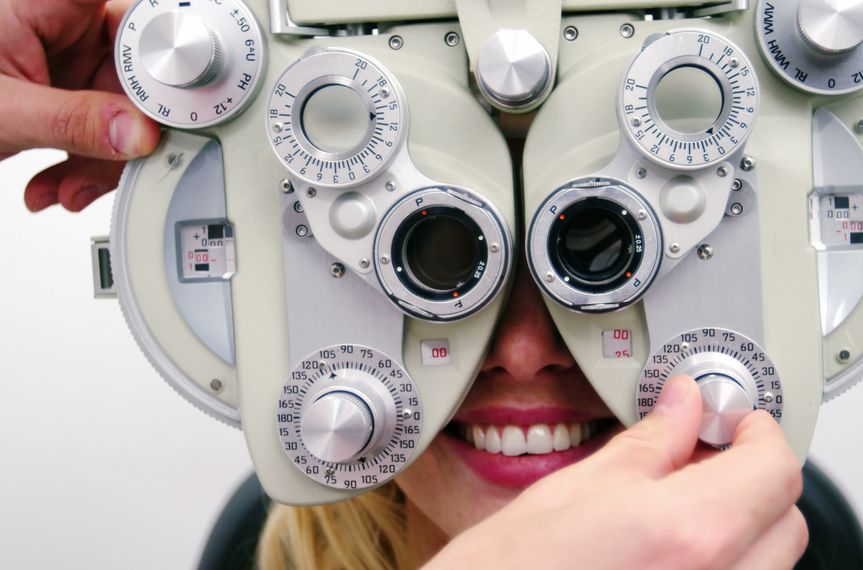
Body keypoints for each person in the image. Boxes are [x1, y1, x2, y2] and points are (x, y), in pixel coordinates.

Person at [4, 0, 808, 568]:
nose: (525, 354)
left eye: (597, 250)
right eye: (442, 252)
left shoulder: (802, 534)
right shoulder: (262, 549)